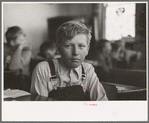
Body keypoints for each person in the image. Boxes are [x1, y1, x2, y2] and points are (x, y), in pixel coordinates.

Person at [30, 21, 108, 101]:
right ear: (58, 48)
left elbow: (102, 103)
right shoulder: (43, 69)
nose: (75, 52)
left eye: (81, 46)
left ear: (87, 49)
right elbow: (39, 109)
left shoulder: (87, 69)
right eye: (68, 46)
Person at [4, 26, 32, 91]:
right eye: (22, 40)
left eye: (24, 39)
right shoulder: (5, 48)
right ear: (12, 43)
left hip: (21, 80)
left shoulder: (26, 51)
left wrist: (19, 48)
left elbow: (14, 68)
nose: (25, 42)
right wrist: (5, 62)